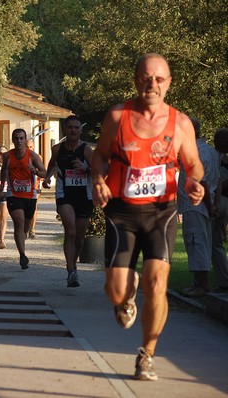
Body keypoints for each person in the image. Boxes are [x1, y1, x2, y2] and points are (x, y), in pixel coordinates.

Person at [92, 53, 204, 381]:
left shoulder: (180, 123)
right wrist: (99, 180)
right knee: (114, 291)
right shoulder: (117, 116)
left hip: (161, 213)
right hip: (122, 212)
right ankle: (125, 294)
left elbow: (193, 163)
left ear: (168, 83)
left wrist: (195, 180)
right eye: (145, 77)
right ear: (135, 80)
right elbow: (99, 156)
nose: (151, 84)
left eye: (158, 78)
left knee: (158, 283)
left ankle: (147, 355)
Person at [43, 116, 94, 288]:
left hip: (84, 196)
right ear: (65, 130)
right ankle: (70, 269)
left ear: (81, 130)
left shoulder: (87, 151)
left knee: (79, 237)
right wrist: (47, 178)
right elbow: (51, 165)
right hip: (64, 194)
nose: (73, 130)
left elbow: (100, 172)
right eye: (70, 127)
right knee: (70, 231)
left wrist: (86, 168)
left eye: (76, 128)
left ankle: (73, 264)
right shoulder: (57, 149)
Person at [178, 118, 219, 297]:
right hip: (204, 204)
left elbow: (201, 183)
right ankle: (198, 282)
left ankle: (203, 284)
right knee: (202, 242)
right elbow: (217, 181)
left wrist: (210, 207)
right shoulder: (210, 151)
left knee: (196, 243)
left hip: (196, 205)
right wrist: (214, 205)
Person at [0, 129, 47, 270]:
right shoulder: (7, 156)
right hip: (13, 194)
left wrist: (35, 171)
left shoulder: (32, 156)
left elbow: (44, 172)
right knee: (18, 222)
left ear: (25, 140)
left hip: (29, 195)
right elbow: (4, 170)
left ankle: (23, 238)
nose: (19, 141)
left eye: (21, 138)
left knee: (26, 226)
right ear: (13, 140)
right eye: (16, 138)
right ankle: (22, 255)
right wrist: (3, 183)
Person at [212, 127, 228, 290]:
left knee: (213, 242)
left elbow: (217, 182)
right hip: (225, 202)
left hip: (218, 200)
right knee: (217, 242)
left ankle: (223, 278)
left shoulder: (213, 157)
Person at [27, 139, 42, 239]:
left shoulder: (37, 157)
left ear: (33, 147)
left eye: (30, 147)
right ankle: (26, 228)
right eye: (27, 147)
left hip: (35, 185)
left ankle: (32, 229)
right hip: (23, 185)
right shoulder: (20, 157)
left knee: (34, 207)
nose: (29, 149)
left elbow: (42, 170)